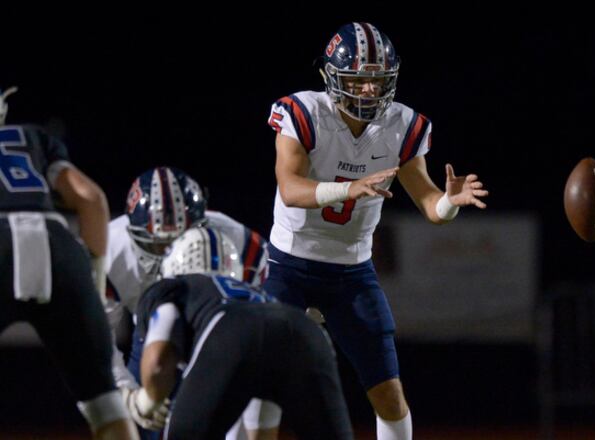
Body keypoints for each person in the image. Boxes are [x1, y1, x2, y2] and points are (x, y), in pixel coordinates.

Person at [265, 22, 488, 440]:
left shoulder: (403, 125)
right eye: (357, 79)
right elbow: (291, 190)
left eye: (376, 80)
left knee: (389, 393)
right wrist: (349, 188)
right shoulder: (303, 112)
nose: (368, 90)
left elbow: (430, 205)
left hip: (351, 272)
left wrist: (449, 204)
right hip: (288, 266)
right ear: (333, 77)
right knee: (264, 386)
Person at [0, 86, 138, 439]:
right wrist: (92, 284)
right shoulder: (33, 138)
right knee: (105, 403)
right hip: (57, 246)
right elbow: (91, 198)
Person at [105, 166, 278, 439]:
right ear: (133, 233)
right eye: (157, 246)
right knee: (140, 421)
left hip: (220, 336)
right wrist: (126, 392)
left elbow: (265, 324)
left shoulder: (237, 241)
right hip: (151, 335)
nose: (169, 255)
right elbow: (96, 335)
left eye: (179, 240)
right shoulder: (110, 250)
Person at [135, 227, 353, 439]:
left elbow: (158, 364)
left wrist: (146, 401)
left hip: (228, 330)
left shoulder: (174, 287)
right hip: (305, 328)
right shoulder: (256, 295)